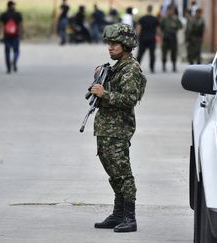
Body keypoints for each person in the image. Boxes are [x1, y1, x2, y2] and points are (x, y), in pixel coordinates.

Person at [90, 23, 146, 233]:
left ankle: (129, 217)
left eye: (114, 43)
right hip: (107, 128)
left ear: (126, 44)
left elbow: (129, 99)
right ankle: (118, 213)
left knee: (123, 173)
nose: (110, 47)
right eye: (109, 43)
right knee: (114, 172)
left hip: (118, 129)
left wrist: (104, 94)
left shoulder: (131, 69)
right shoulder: (117, 67)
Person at [0, 1, 23, 74]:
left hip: (6, 36)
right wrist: (21, 34)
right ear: (13, 6)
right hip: (15, 35)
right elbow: (21, 25)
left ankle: (8, 68)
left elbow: (0, 25)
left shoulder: (4, 14)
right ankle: (14, 61)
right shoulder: (17, 14)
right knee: (16, 51)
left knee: (7, 52)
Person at [136, 4, 159, 73]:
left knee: (140, 54)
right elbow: (158, 30)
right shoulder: (155, 19)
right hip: (152, 39)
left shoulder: (142, 18)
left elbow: (139, 29)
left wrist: (137, 36)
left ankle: (136, 68)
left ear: (147, 9)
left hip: (143, 39)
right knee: (152, 54)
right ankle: (152, 68)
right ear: (152, 9)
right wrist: (159, 36)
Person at [160, 5, 182, 72]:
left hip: (173, 38)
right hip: (166, 38)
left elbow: (180, 26)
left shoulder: (176, 19)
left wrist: (175, 26)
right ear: (167, 11)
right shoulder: (164, 19)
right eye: (169, 10)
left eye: (171, 10)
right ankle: (164, 66)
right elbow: (161, 27)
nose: (170, 12)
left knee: (174, 53)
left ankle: (174, 66)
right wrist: (162, 35)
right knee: (164, 53)